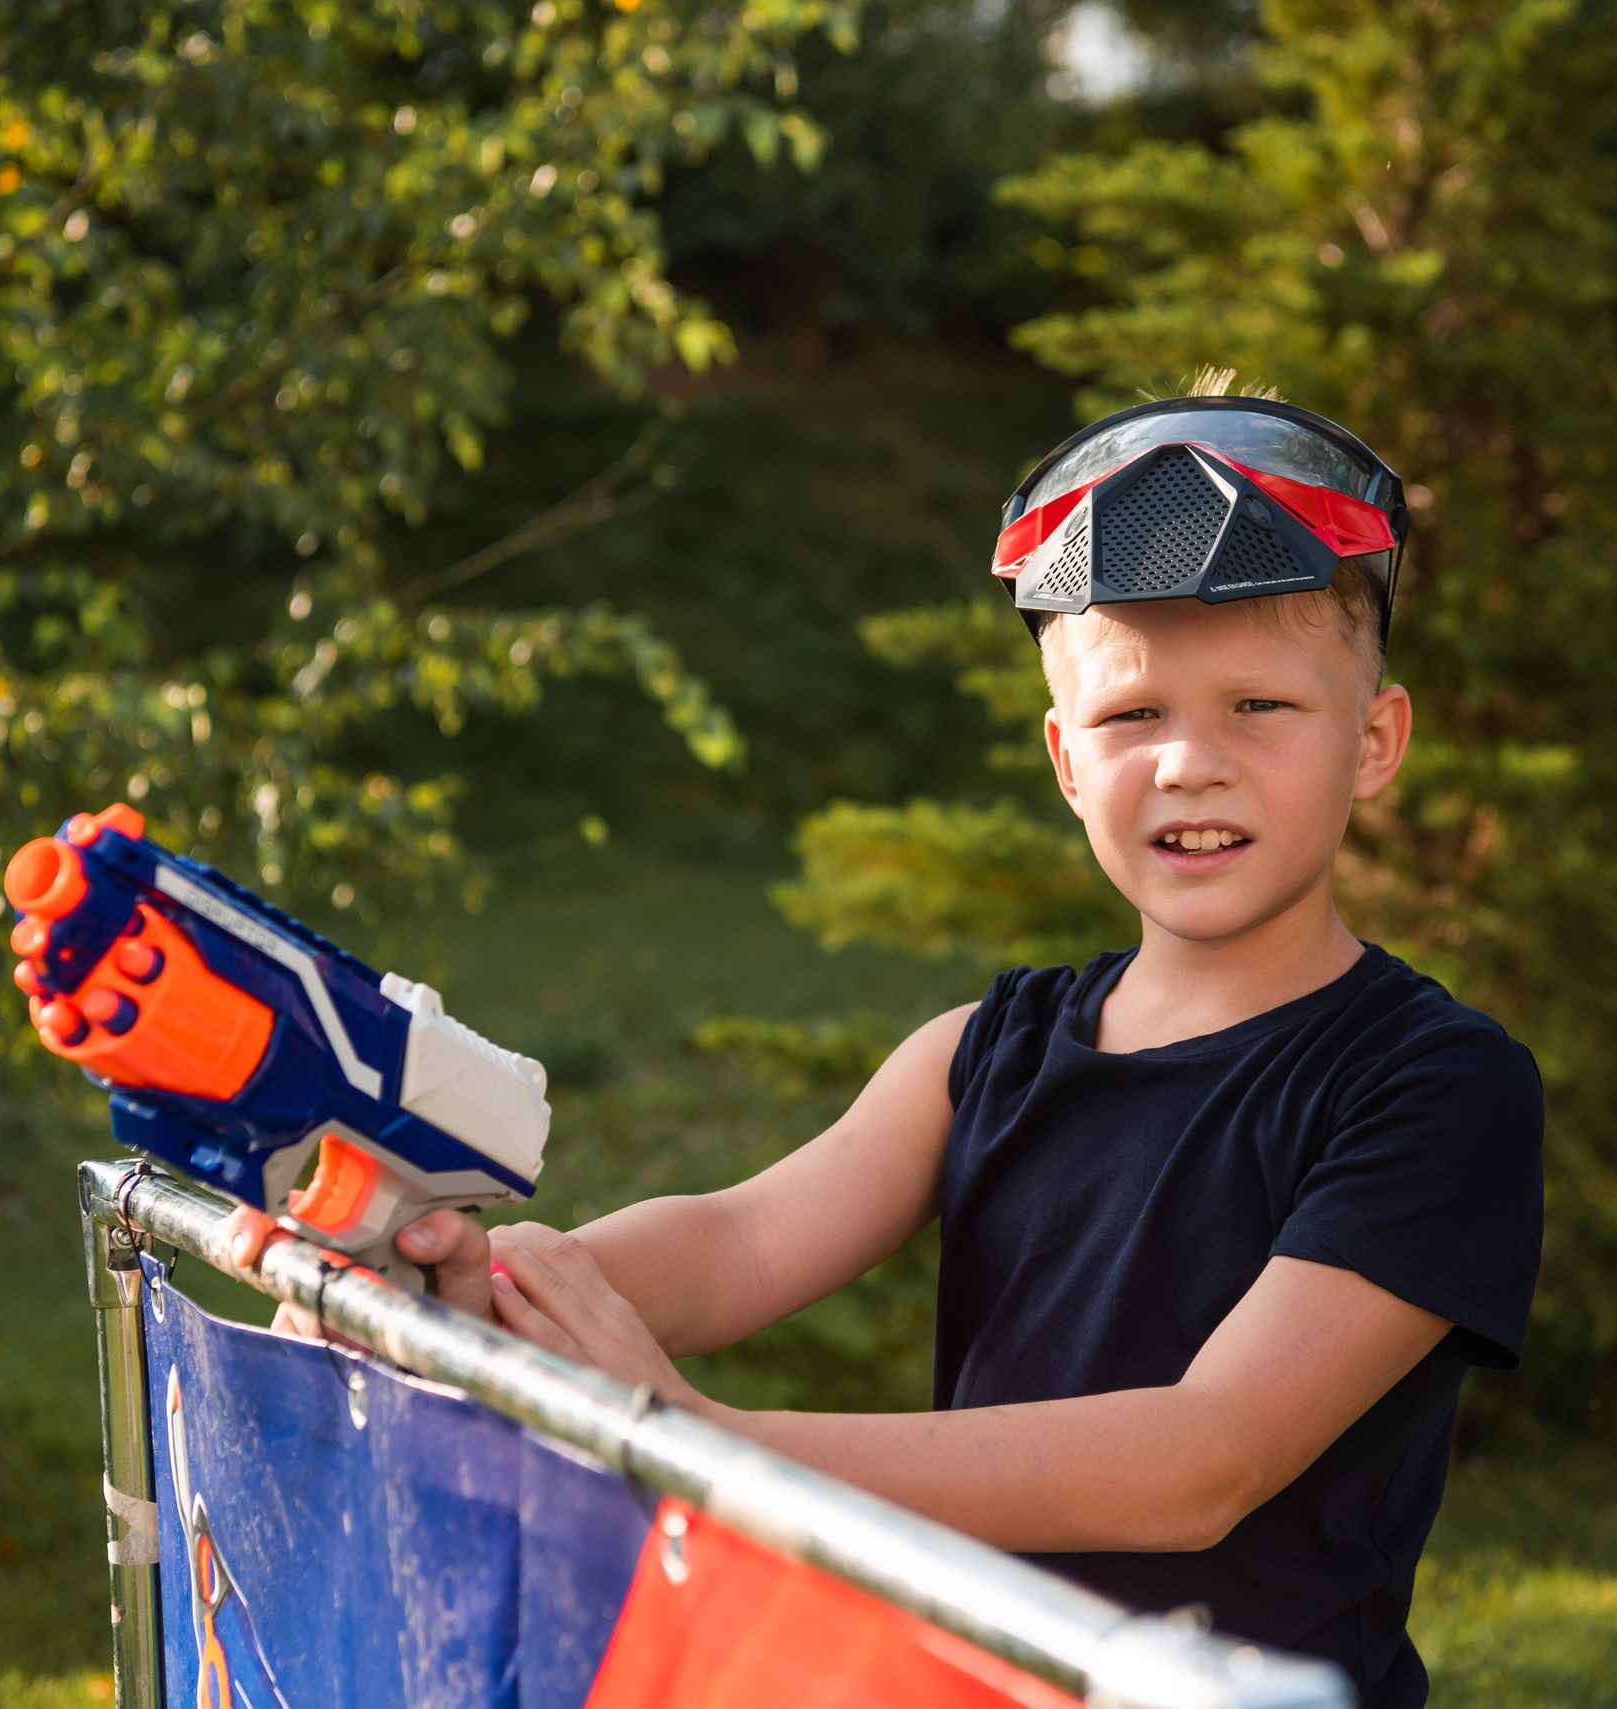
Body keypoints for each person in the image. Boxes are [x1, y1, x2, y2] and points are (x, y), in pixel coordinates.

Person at [229, 372, 1545, 1709]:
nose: (1188, 762)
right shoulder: (983, 1051)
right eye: (1132, 714)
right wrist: (477, 1283)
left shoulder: (1433, 1084)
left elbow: (1202, 1459)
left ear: (1375, 740)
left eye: (1258, 707)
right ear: (1064, 759)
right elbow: (739, 1239)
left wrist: (706, 1440)